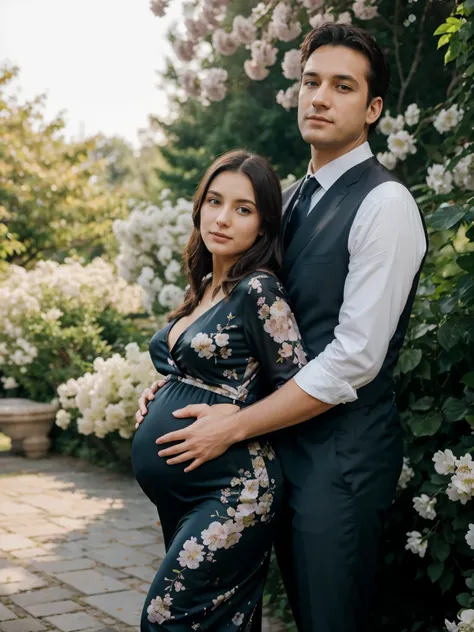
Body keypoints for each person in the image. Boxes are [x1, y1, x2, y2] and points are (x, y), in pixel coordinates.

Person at [136, 23, 429, 632]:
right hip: (268, 457)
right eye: (311, 82)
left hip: (340, 463)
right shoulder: (290, 199)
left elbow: (355, 357)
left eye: (342, 86)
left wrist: (233, 424)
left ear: (373, 109)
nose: (319, 97)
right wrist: (183, 386)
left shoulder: (385, 205)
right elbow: (250, 318)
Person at [131, 149, 308, 630]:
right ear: (200, 207)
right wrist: (164, 391)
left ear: (264, 224)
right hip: (187, 490)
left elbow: (299, 384)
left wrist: (232, 415)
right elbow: (214, 369)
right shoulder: (207, 284)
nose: (223, 218)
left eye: (243, 208)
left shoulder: (259, 290)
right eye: (214, 201)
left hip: (236, 489)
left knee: (167, 618)